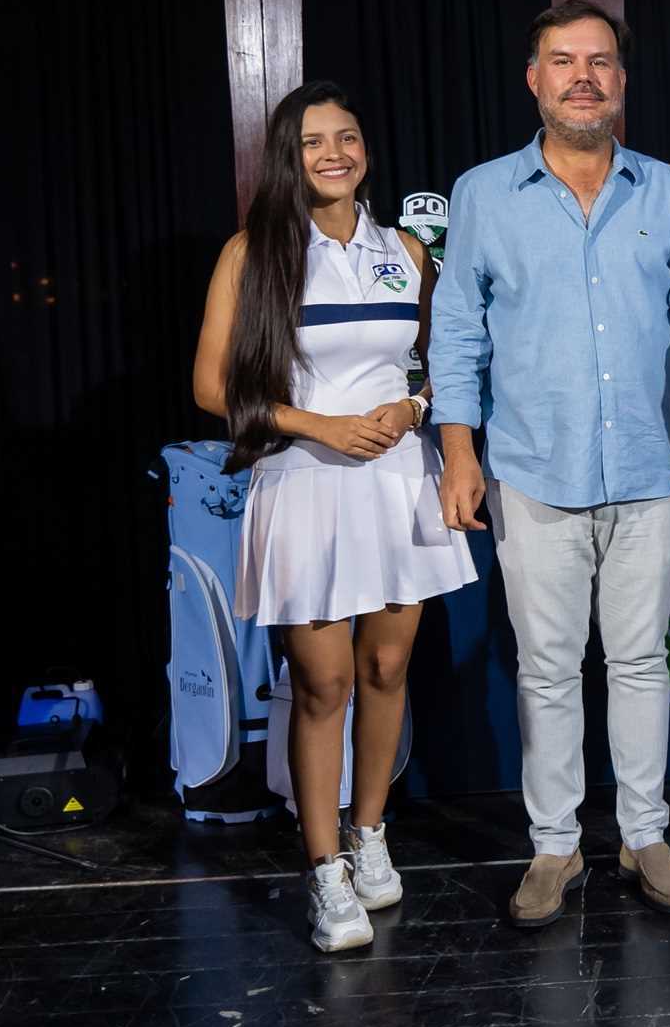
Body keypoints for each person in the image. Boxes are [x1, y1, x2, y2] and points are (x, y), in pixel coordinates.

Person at [431, 0, 670, 931]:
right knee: (547, 670)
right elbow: (458, 333)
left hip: (650, 466)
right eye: (564, 61)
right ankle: (554, 846)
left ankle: (644, 835)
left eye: (599, 61)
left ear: (622, 81)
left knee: (638, 662)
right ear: (535, 78)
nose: (583, 76)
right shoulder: (482, 194)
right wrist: (460, 453)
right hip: (531, 468)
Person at [194, 80, 477, 954]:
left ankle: (370, 835)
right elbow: (212, 386)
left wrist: (413, 409)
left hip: (398, 484)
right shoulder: (254, 253)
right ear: (289, 155)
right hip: (306, 488)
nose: (333, 154)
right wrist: (315, 423)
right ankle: (323, 871)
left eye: (346, 138)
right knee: (324, 685)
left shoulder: (405, 250)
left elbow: (438, 366)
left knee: (389, 669)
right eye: (314, 141)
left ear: (365, 150)